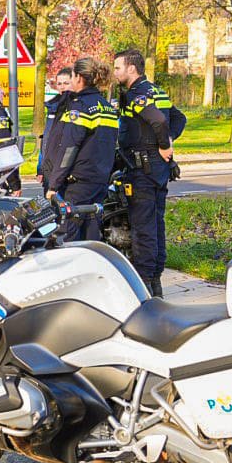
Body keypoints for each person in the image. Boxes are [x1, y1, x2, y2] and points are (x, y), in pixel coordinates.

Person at [114, 49, 178, 297]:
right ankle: (157, 282)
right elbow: (178, 119)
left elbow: (160, 121)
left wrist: (162, 145)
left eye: (118, 68)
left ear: (132, 69)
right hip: (157, 168)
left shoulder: (136, 94)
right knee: (156, 224)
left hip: (143, 168)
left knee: (143, 229)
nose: (115, 72)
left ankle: (146, 285)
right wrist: (167, 144)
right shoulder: (156, 90)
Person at [42, 56, 118, 241]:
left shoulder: (79, 108)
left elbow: (69, 149)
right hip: (99, 180)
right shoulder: (106, 107)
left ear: (79, 78)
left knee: (67, 235)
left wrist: (53, 184)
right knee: (91, 233)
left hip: (78, 183)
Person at [38, 66, 74, 181]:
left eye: (66, 83)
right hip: (50, 165)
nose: (62, 87)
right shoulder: (52, 106)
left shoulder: (77, 106)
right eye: (59, 84)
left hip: (67, 166)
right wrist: (40, 168)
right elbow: (46, 138)